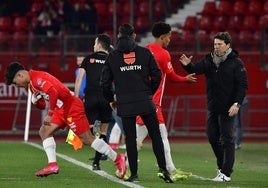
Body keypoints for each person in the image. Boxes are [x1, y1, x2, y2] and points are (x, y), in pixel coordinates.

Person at [4, 62, 126, 179]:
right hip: (60, 109)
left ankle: (117, 158)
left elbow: (53, 92)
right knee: (44, 131)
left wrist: (50, 113)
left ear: (20, 75)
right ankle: (52, 164)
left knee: (87, 139)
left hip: (71, 106)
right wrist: (36, 102)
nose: (17, 85)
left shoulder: (38, 78)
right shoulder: (31, 84)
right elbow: (42, 104)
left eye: (16, 82)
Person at [100, 23, 173, 183]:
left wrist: (112, 100)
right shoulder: (144, 52)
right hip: (145, 102)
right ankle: (163, 170)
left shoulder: (112, 57)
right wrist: (149, 93)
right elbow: (157, 75)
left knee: (131, 140)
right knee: (156, 136)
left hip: (125, 103)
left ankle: (133, 174)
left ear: (118, 37)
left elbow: (104, 83)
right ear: (134, 36)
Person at [179, 31, 248, 182]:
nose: (216, 47)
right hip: (213, 106)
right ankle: (221, 167)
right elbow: (196, 69)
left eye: (219, 44)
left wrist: (237, 103)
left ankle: (226, 173)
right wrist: (187, 66)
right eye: (215, 44)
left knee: (227, 139)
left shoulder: (237, 63)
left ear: (227, 45)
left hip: (229, 107)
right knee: (212, 136)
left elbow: (243, 86)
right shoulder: (209, 59)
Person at [135, 22, 196, 181]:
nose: (170, 39)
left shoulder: (144, 50)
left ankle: (125, 165)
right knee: (160, 137)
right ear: (162, 37)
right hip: (153, 102)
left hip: (141, 100)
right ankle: (169, 170)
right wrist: (186, 79)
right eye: (169, 36)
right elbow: (172, 77)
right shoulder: (163, 54)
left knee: (141, 138)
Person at [74, 34, 113, 171]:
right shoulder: (112, 59)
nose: (93, 46)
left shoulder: (88, 58)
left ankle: (88, 138)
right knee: (104, 131)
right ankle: (96, 162)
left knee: (88, 133)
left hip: (90, 97)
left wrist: (76, 97)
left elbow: (79, 80)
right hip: (105, 97)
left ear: (100, 45)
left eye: (95, 43)